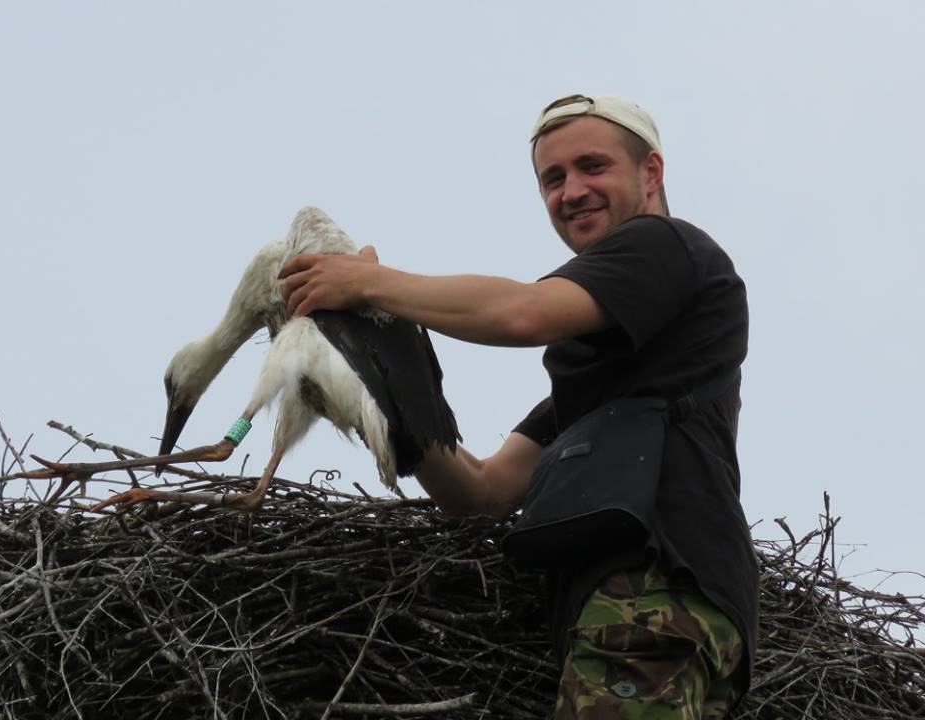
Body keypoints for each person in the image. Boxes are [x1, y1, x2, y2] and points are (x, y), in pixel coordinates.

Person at [279, 93, 758, 719]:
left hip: (655, 592)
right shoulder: (605, 390)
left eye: (593, 166)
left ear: (651, 173)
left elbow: (524, 312)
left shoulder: (666, 245)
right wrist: (381, 374)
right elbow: (481, 493)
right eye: (552, 179)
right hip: (658, 611)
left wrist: (369, 282)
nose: (571, 191)